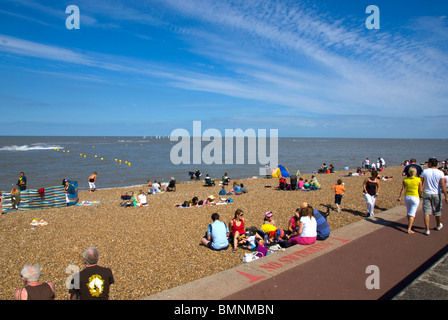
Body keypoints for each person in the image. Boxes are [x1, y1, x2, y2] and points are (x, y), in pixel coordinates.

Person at [420, 158, 448, 235]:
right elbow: (443, 185)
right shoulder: (440, 173)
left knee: (426, 212)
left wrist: (420, 192)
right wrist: (446, 196)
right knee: (437, 211)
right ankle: (438, 225)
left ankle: (427, 230)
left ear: (430, 164)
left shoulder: (425, 172)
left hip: (427, 193)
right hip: (436, 193)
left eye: (428, 162)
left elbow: (420, 182)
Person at [397, 167, 422, 234]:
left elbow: (403, 189)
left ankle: (410, 223)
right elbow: (420, 189)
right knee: (412, 213)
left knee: (409, 212)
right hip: (415, 196)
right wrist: (421, 195)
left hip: (407, 196)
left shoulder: (405, 179)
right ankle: (409, 229)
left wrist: (399, 197)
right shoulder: (418, 179)